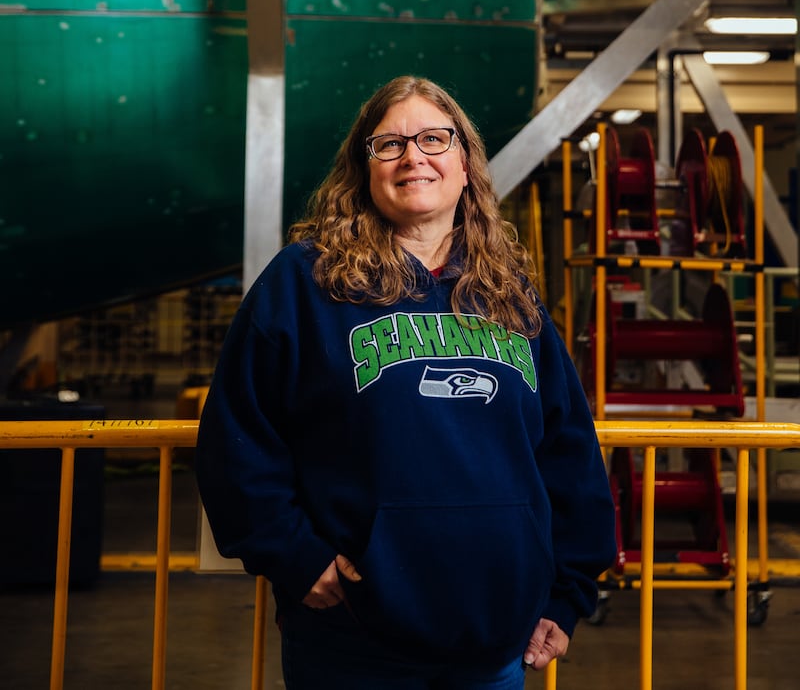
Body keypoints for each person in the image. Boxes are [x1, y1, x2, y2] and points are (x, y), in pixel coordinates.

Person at [195, 75, 617, 689]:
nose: (414, 156)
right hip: (353, 641)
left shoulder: (507, 293)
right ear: (363, 171)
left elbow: (567, 451)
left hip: (496, 641)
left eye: (433, 139)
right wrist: (293, 555)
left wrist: (567, 593)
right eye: (389, 144)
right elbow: (237, 436)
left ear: (465, 164)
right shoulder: (305, 282)